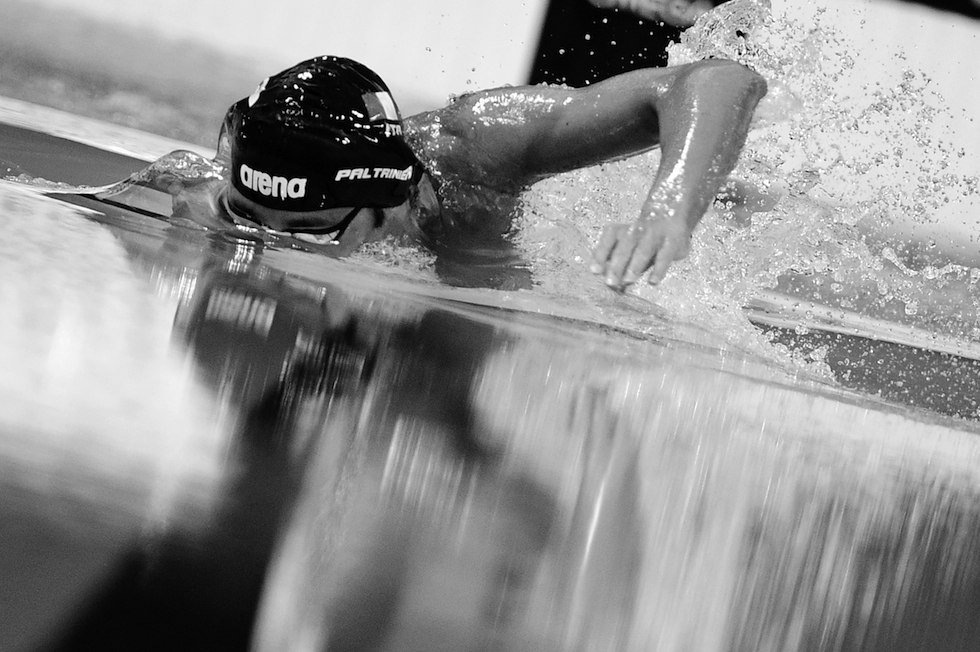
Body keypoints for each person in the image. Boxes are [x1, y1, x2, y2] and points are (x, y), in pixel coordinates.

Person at [131, 54, 766, 291]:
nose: (267, 244)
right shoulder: (201, 187)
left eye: (313, 230)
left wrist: (670, 207)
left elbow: (721, 79)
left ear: (392, 197)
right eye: (245, 214)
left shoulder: (478, 148)